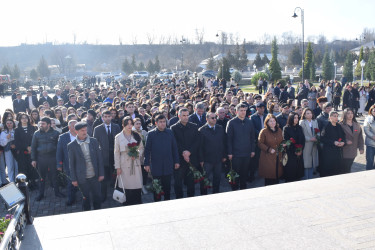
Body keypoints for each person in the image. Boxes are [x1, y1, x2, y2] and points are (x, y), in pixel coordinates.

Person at [68, 122, 104, 211]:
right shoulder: (72, 146)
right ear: (76, 132)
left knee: (97, 197)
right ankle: (87, 214)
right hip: (82, 177)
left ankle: (98, 213)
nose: (85, 132)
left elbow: (99, 159)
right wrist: (74, 179)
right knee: (85, 198)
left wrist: (101, 173)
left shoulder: (93, 141)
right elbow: (71, 164)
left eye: (85, 130)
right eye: (82, 130)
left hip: (94, 175)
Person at [144, 114, 179, 201]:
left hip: (168, 164)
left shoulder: (170, 132)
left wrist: (176, 161)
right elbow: (147, 150)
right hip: (156, 165)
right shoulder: (151, 134)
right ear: (156, 123)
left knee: (167, 188)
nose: (163, 124)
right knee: (157, 189)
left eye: (164, 122)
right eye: (160, 122)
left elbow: (174, 148)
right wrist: (146, 164)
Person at [31, 117, 65, 201]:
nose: (41, 125)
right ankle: (41, 194)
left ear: (49, 125)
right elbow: (33, 147)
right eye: (40, 123)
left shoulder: (56, 133)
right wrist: (33, 159)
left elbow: (59, 147)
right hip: (41, 158)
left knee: (54, 176)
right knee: (41, 177)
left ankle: (57, 192)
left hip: (52, 157)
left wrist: (59, 160)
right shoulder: (36, 133)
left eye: (43, 124)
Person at [171, 108, 200, 198]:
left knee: (191, 182)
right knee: (178, 182)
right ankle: (179, 199)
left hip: (191, 158)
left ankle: (191, 198)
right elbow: (175, 143)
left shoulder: (194, 126)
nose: (186, 117)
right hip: (179, 160)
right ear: (179, 116)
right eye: (184, 115)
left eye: (187, 115)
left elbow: (197, 142)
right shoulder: (173, 128)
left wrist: (189, 152)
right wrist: (183, 152)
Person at [114, 117, 144, 205]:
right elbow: (116, 153)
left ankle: (137, 202)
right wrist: (117, 167)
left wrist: (137, 154)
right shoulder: (118, 137)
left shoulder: (136, 135)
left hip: (135, 163)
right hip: (124, 165)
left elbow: (141, 148)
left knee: (136, 184)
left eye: (131, 124)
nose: (129, 126)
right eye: (127, 124)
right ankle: (126, 203)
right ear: (123, 125)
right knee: (126, 186)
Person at [93, 110, 121, 202]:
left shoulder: (116, 127)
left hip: (115, 155)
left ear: (111, 117)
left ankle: (118, 193)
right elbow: (95, 143)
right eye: (105, 116)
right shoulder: (97, 129)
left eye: (109, 116)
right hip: (103, 156)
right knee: (103, 178)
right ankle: (103, 195)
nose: (107, 118)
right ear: (102, 117)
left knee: (117, 175)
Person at [227, 104, 255, 190]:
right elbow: (228, 139)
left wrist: (252, 150)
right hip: (235, 154)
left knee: (244, 174)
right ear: (236, 112)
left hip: (246, 153)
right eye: (241, 110)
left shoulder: (249, 122)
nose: (243, 112)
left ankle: (243, 190)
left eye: (244, 110)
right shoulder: (231, 123)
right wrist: (230, 152)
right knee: (235, 175)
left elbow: (252, 137)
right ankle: (235, 190)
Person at [198, 112, 226, 194]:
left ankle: (216, 193)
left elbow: (223, 142)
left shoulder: (220, 128)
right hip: (207, 160)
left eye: (215, 118)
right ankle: (203, 194)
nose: (214, 119)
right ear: (207, 119)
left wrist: (224, 155)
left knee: (217, 178)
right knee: (205, 179)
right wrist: (201, 159)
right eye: (212, 118)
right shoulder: (202, 130)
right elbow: (200, 147)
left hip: (218, 159)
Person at [56, 120, 78, 206]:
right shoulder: (63, 137)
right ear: (69, 127)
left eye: (76, 125)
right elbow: (59, 151)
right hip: (69, 163)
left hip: (81, 163)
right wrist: (59, 164)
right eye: (73, 126)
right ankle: (70, 199)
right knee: (70, 182)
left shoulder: (82, 134)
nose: (75, 128)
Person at [258, 114, 283, 186]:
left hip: (278, 156)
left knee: (277, 175)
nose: (273, 123)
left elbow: (281, 140)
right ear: (267, 123)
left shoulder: (279, 130)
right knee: (269, 178)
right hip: (268, 157)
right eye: (270, 121)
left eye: (274, 121)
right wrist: (268, 149)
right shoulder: (264, 131)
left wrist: (283, 144)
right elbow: (260, 143)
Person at [14, 113, 37, 189]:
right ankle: (25, 185)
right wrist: (26, 147)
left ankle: (33, 183)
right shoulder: (17, 130)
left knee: (32, 168)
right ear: (20, 120)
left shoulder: (33, 128)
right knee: (24, 168)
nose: (24, 119)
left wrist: (31, 147)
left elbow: (35, 139)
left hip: (32, 151)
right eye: (22, 118)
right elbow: (17, 142)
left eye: (26, 118)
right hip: (22, 152)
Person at [320, 111, 346, 177]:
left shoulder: (339, 126)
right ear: (330, 117)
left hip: (337, 151)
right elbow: (322, 138)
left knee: (337, 170)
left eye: (337, 116)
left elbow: (343, 136)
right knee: (328, 170)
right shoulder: (326, 126)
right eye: (334, 116)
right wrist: (333, 142)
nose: (336, 118)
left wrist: (343, 142)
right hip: (328, 152)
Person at [340, 108, 364, 174]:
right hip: (344, 150)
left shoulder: (357, 125)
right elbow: (338, 137)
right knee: (345, 169)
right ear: (345, 115)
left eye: (351, 113)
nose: (350, 115)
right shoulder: (340, 125)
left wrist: (361, 148)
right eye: (348, 113)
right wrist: (345, 141)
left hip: (353, 151)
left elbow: (360, 138)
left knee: (348, 167)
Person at [283, 112, 305, 182]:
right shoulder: (286, 128)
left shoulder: (300, 127)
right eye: (295, 118)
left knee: (298, 174)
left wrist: (300, 150)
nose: (296, 119)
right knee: (291, 174)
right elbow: (286, 141)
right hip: (291, 154)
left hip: (299, 153)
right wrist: (295, 151)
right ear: (291, 118)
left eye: (297, 118)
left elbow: (302, 140)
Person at [299, 108, 319, 179]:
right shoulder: (302, 122)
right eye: (307, 113)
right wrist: (309, 139)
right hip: (306, 144)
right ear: (304, 115)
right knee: (306, 163)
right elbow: (301, 135)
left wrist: (317, 137)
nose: (310, 115)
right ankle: (305, 178)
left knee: (312, 162)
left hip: (314, 144)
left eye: (310, 113)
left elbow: (318, 131)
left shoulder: (315, 121)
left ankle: (310, 178)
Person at [363, 105, 375, 170]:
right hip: (370, 143)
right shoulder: (368, 118)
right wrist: (373, 136)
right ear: (371, 111)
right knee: (370, 161)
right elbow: (366, 129)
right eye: (374, 111)